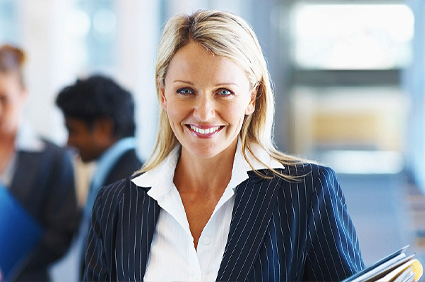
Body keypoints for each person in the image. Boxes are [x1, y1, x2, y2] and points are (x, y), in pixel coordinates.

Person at [83, 10, 365, 281]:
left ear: (251, 98)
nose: (204, 112)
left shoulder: (307, 192)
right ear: (163, 95)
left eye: (224, 92)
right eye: (185, 91)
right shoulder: (115, 206)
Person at [0, 44, 79, 281]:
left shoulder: (53, 158)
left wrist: (12, 266)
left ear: (24, 93)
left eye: (4, 98)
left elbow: (62, 233)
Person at [55, 74, 143, 279]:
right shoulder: (112, 177)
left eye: (73, 131)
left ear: (104, 128)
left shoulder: (131, 186)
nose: (68, 142)